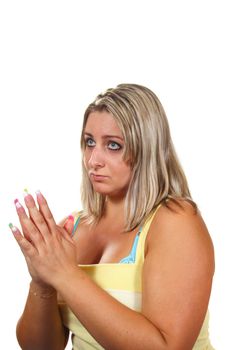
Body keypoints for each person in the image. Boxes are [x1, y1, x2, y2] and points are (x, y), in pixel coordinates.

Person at [10, 84, 215, 349]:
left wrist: (65, 275)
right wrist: (42, 282)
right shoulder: (74, 228)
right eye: (89, 142)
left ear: (146, 149)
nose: (93, 160)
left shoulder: (176, 222)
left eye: (114, 145)